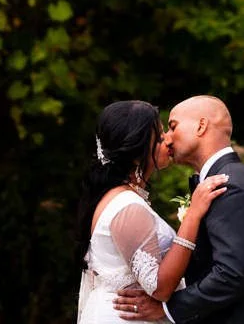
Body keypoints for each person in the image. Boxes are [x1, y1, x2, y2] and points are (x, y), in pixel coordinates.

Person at [115, 95, 244, 324]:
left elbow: (232, 275)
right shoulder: (220, 182)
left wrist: (168, 310)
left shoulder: (230, 185)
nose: (166, 138)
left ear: (201, 126)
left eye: (173, 126)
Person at [77, 99, 231, 324]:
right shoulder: (126, 207)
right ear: (137, 153)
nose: (168, 140)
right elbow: (159, 287)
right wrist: (193, 215)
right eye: (159, 137)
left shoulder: (121, 197)